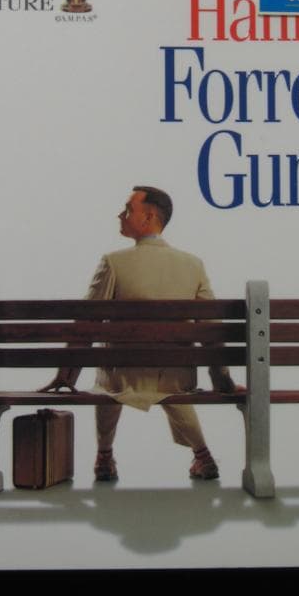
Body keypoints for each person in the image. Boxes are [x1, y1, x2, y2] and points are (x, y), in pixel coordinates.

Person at [41, 186, 237, 482]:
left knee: (107, 382)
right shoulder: (192, 265)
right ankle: (203, 455)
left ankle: (104, 457)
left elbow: (86, 322)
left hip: (122, 374)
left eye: (128, 209)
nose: (120, 215)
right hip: (174, 375)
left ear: (148, 217)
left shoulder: (114, 262)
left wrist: (66, 375)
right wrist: (222, 381)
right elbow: (210, 331)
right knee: (170, 382)